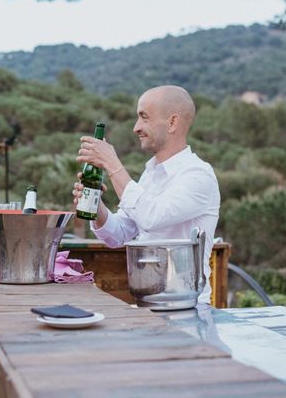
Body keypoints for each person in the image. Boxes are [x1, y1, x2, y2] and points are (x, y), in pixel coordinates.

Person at [73, 85, 220, 304]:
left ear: (172, 122)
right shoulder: (150, 175)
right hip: (148, 302)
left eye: (144, 118)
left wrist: (111, 163)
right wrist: (97, 208)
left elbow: (152, 217)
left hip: (188, 307)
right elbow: (119, 234)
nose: (136, 127)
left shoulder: (198, 175)